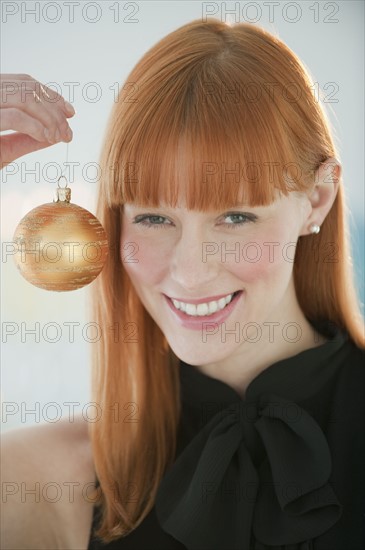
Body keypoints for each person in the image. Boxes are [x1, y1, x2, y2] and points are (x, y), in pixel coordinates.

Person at [1, 18, 364, 550]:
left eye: (237, 217)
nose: (191, 272)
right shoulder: (41, 479)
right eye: (153, 218)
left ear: (318, 199)